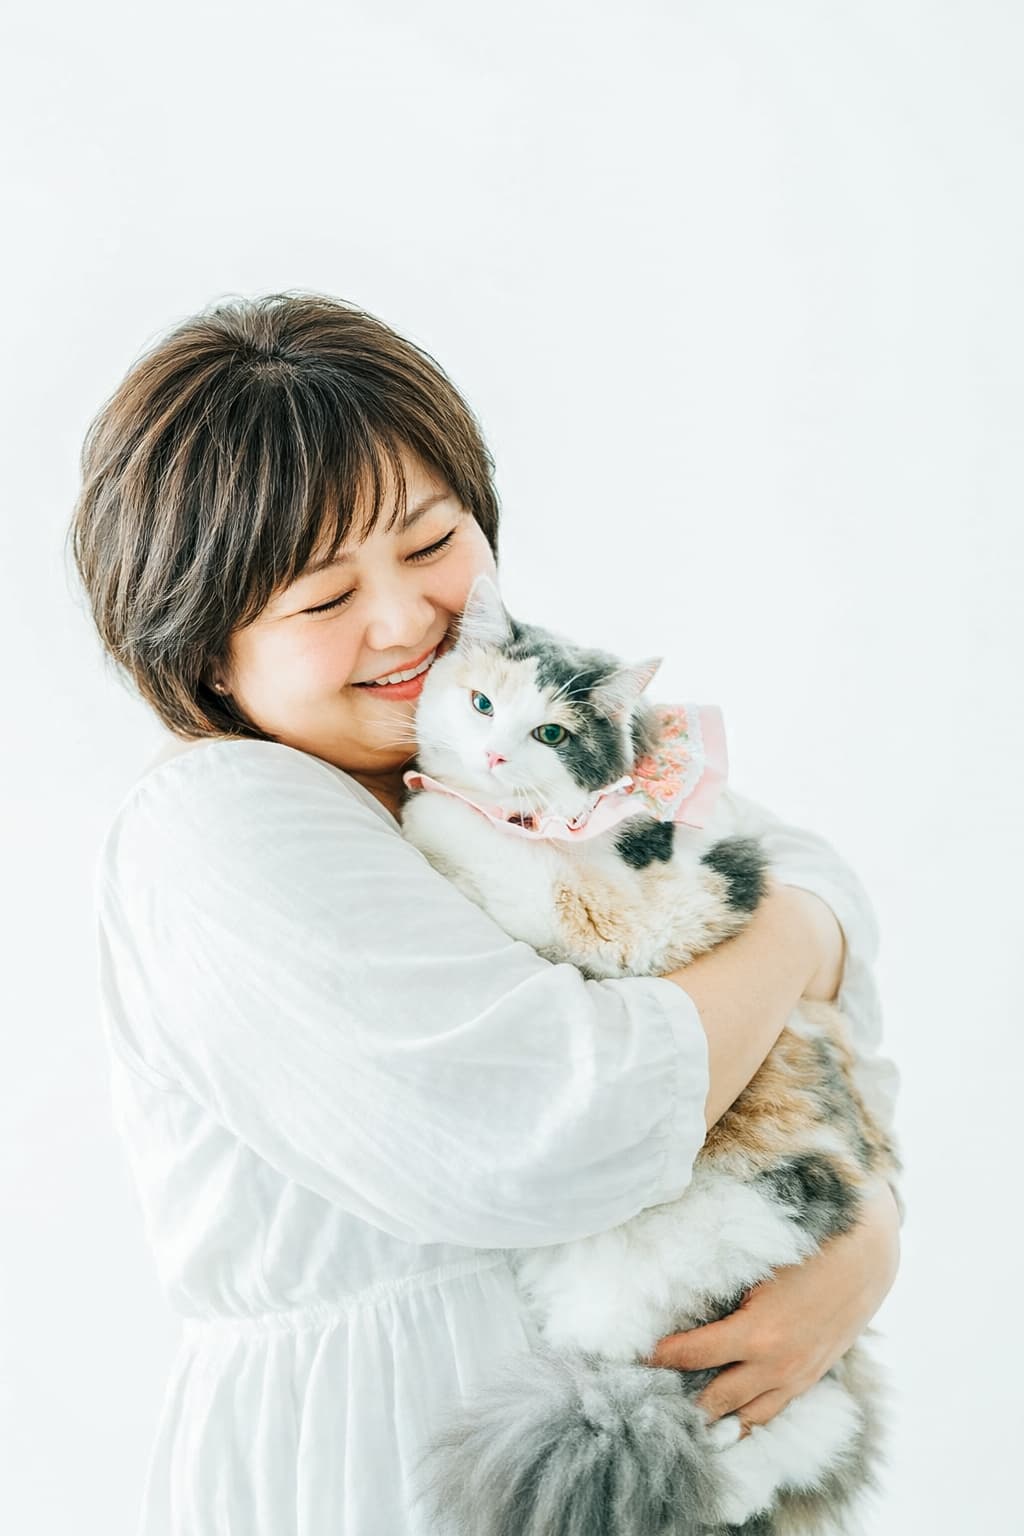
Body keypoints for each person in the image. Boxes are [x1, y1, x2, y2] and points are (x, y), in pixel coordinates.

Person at [70, 291, 900, 1536]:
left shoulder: (518, 743)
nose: (406, 623)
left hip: (674, 1450)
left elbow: (833, 959)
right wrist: (783, 937)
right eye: (319, 595)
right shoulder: (223, 819)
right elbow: (556, 1132)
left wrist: (867, 1234)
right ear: (204, 649)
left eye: (428, 542)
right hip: (395, 1454)